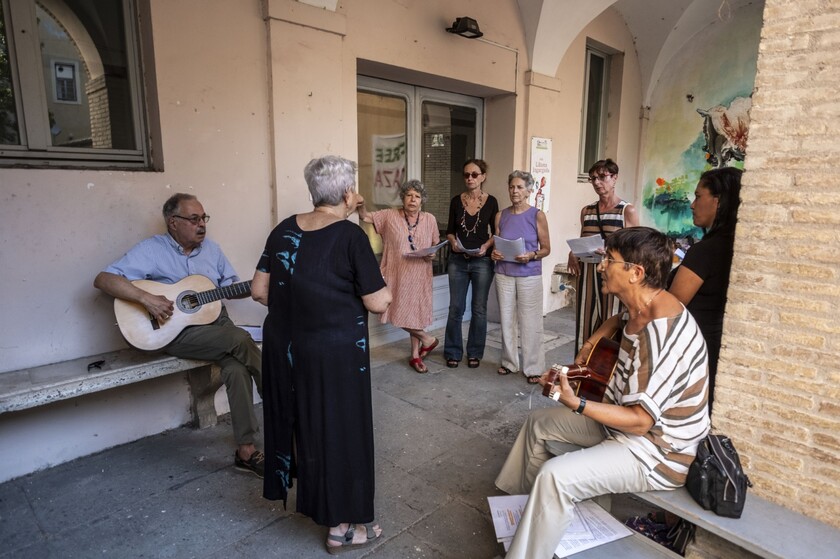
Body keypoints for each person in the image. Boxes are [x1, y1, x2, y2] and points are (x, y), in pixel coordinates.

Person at [496, 227, 710, 559]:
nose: (600, 266)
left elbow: (640, 422)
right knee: (538, 424)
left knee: (556, 477)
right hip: (621, 428)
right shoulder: (641, 306)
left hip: (657, 452)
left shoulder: (663, 335)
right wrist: (589, 347)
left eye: (609, 260)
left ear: (635, 273)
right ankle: (523, 520)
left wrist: (577, 403)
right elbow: (617, 320)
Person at [251, 155, 392, 555]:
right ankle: (341, 528)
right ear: (348, 193)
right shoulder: (350, 237)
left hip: (285, 348)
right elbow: (378, 302)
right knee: (339, 431)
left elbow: (260, 291)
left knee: (303, 425)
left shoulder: (282, 230)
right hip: (334, 354)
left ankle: (312, 500)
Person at [94, 193, 264, 477]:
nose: (202, 225)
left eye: (204, 218)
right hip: (174, 331)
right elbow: (103, 280)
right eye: (194, 219)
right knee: (240, 340)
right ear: (173, 223)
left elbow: (233, 286)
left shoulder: (212, 250)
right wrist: (146, 298)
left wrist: (260, 286)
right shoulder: (151, 249)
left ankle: (245, 451)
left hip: (215, 323)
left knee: (235, 367)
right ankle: (286, 402)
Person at [668, 167, 742, 412]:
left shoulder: (706, 251)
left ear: (717, 201)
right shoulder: (735, 245)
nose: (692, 204)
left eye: (698, 196)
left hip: (694, 348)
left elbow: (671, 306)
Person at [358, 180, 440, 373]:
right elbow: (364, 217)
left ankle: (415, 355)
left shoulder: (429, 219)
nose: (413, 199)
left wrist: (432, 254)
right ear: (402, 197)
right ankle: (427, 339)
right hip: (395, 273)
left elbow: (435, 244)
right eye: (409, 195)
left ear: (422, 201)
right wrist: (360, 204)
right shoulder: (388, 215)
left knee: (415, 314)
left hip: (419, 273)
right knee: (392, 310)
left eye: (417, 196)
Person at [568, 158, 639, 355]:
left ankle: (608, 370)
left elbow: (635, 248)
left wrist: (610, 252)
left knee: (612, 321)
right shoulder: (587, 211)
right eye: (593, 179)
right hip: (589, 275)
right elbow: (583, 238)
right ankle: (582, 368)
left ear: (614, 178)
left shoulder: (626, 210)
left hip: (615, 274)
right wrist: (572, 253)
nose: (597, 182)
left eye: (602, 177)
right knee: (585, 321)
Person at [490, 170, 551, 383]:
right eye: (511, 187)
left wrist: (531, 255)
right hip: (503, 274)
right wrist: (494, 253)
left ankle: (534, 367)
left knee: (531, 321)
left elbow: (546, 249)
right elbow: (496, 245)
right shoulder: (501, 215)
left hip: (529, 275)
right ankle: (509, 362)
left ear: (529, 191)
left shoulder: (537, 215)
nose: (514, 191)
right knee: (506, 319)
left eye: (519, 187)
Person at [444, 158, 499, 369]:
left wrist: (486, 246)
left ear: (483, 177)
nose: (470, 178)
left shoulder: (492, 202)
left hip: (482, 261)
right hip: (458, 260)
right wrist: (453, 242)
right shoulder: (456, 201)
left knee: (479, 309)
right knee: (455, 308)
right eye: (466, 175)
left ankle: (475, 352)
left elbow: (496, 234)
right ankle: (453, 352)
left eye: (474, 174)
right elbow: (449, 230)